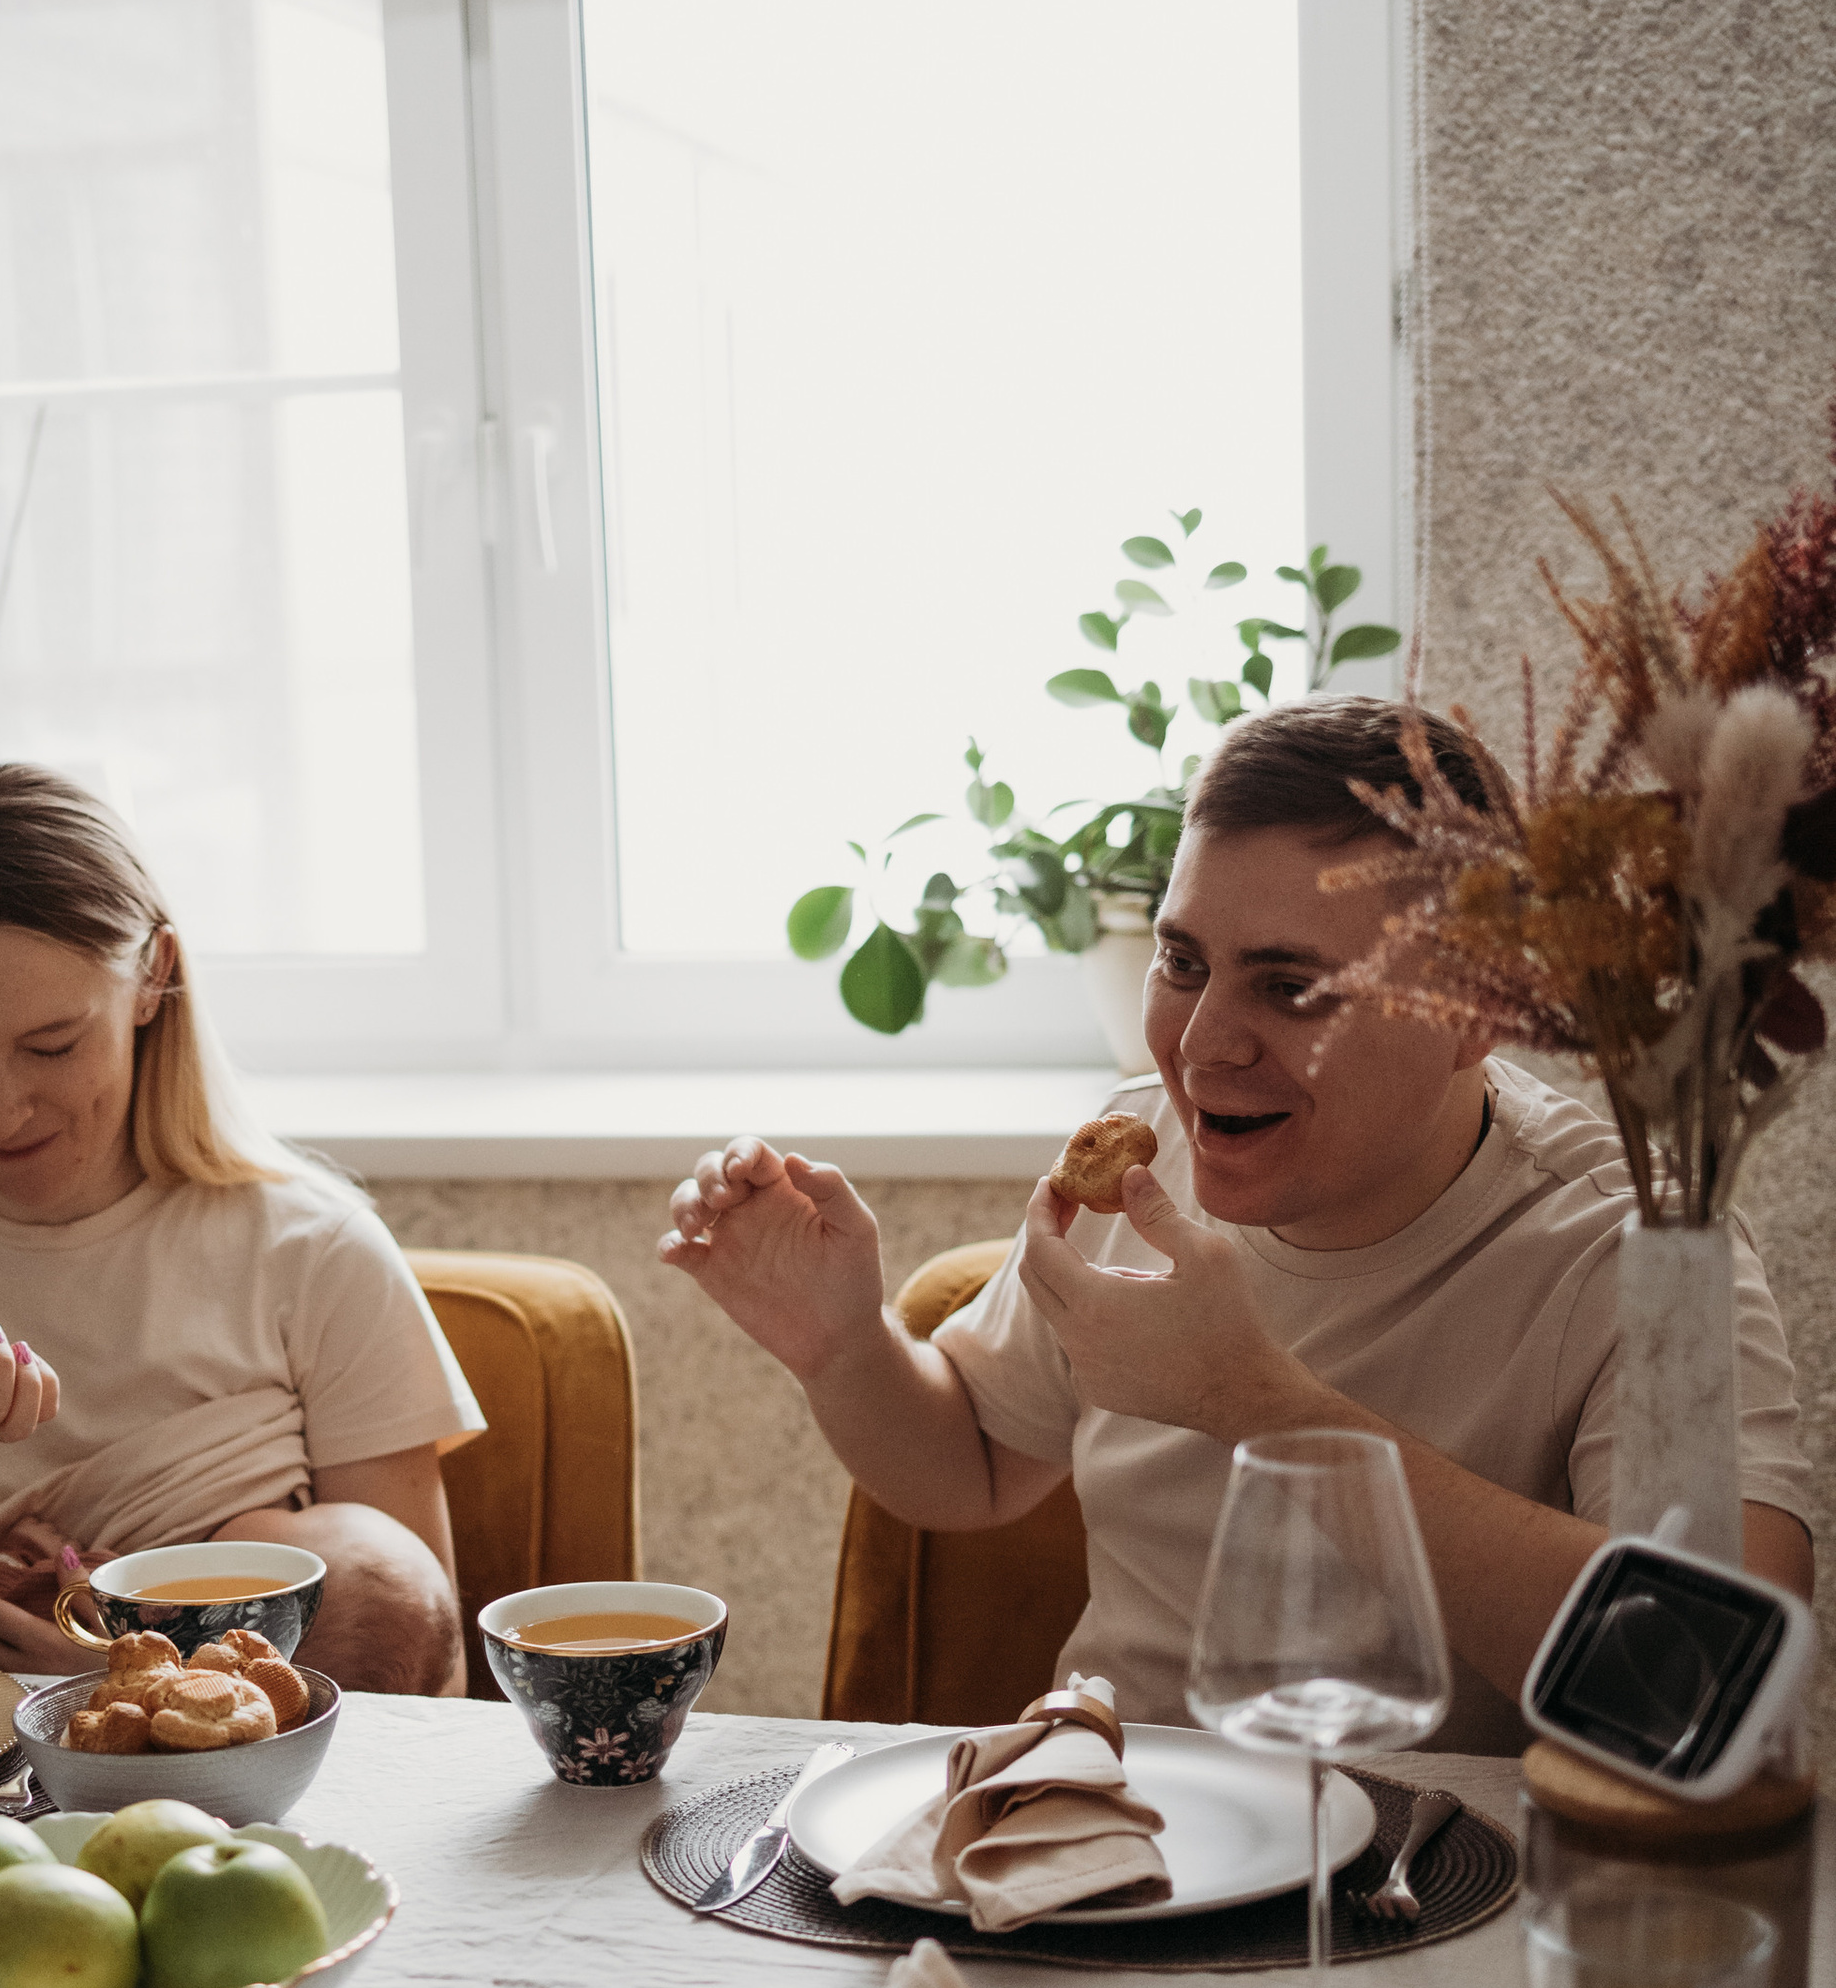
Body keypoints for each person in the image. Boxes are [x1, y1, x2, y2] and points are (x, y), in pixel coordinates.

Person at [662, 698, 1814, 1755]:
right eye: (1181, 961)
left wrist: (1252, 1400)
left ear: (1476, 1011)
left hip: (1436, 1889)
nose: (1202, 1045)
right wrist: (842, 1345)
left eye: (1290, 985)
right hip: (1119, 1836)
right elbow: (965, 1462)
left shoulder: (1637, 1248)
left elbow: (1707, 1693)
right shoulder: (1134, 1153)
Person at [0, 765, 481, 1688]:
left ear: (154, 979)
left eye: (52, 1046)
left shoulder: (316, 1254)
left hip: (222, 1803)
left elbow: (421, 1658)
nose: (3, 1108)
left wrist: (139, 1680)